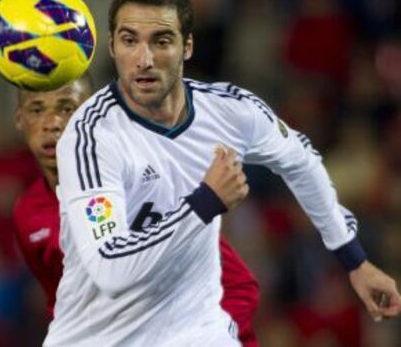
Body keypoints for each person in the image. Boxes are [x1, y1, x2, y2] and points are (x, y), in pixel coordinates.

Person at [45, 0, 401, 346]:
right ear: (113, 46)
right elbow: (111, 268)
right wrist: (204, 201)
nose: (143, 59)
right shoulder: (90, 137)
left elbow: (302, 161)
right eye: (129, 40)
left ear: (187, 46)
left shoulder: (231, 111)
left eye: (161, 40)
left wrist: (354, 260)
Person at [13, 75, 260, 346]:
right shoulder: (27, 215)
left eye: (67, 108)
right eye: (37, 109)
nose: (52, 124)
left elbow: (238, 286)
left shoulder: (143, 190)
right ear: (19, 118)